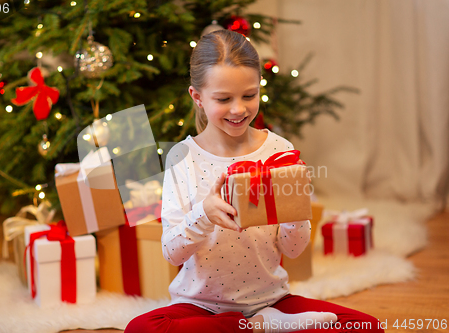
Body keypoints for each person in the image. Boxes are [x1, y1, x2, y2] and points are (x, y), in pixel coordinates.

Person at [125, 29, 384, 333]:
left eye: (249, 95)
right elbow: (172, 252)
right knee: (142, 328)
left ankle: (258, 324)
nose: (239, 109)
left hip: (271, 301)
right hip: (199, 306)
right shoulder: (182, 157)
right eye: (223, 99)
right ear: (197, 97)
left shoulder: (280, 151)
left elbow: (294, 250)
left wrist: (296, 209)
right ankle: (256, 327)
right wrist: (204, 214)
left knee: (366, 327)